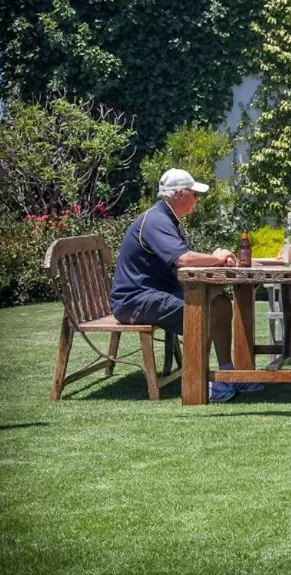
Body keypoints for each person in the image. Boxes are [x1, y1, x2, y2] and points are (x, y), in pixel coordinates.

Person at [110, 168, 263, 404]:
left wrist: (215, 260)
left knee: (220, 303)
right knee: (202, 313)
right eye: (194, 194)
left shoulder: (168, 219)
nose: (197, 199)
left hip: (156, 294)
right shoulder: (157, 220)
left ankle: (227, 373)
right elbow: (183, 259)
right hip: (135, 301)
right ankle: (201, 383)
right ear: (180, 194)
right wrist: (218, 257)